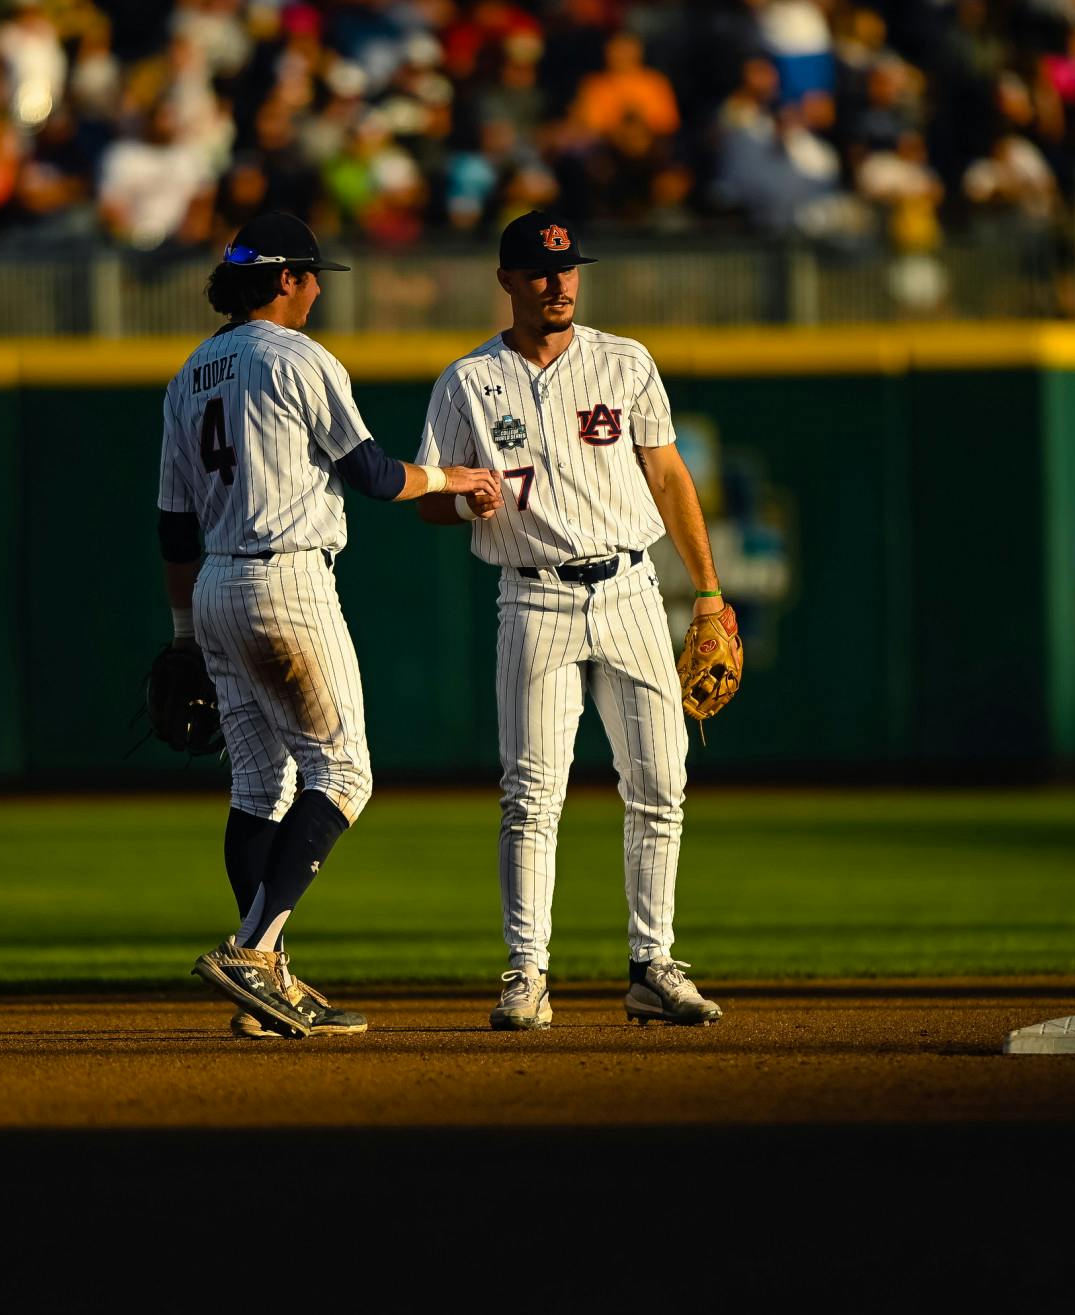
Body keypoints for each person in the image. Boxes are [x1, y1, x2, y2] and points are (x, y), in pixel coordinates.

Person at [159, 211, 500, 1039]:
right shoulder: (297, 357)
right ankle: (253, 952)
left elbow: (172, 524)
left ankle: (266, 979)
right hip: (287, 581)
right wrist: (454, 477)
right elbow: (374, 476)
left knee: (258, 787)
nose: (316, 292)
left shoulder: (189, 373)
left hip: (214, 585)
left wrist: (183, 632)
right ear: (285, 278)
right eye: (312, 277)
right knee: (343, 772)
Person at [414, 211, 733, 1031]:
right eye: (540, 270)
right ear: (507, 280)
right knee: (530, 794)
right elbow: (432, 502)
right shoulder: (467, 380)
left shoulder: (624, 361)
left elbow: (668, 476)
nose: (559, 282)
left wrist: (707, 592)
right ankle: (526, 972)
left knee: (660, 784)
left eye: (568, 268)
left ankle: (652, 965)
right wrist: (464, 499)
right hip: (533, 598)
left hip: (630, 590)